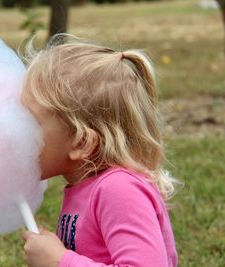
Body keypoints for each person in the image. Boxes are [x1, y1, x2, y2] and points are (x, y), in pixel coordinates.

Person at [20, 35, 179, 267]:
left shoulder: (119, 189)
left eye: (29, 121)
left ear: (81, 142)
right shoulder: (88, 187)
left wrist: (60, 261)